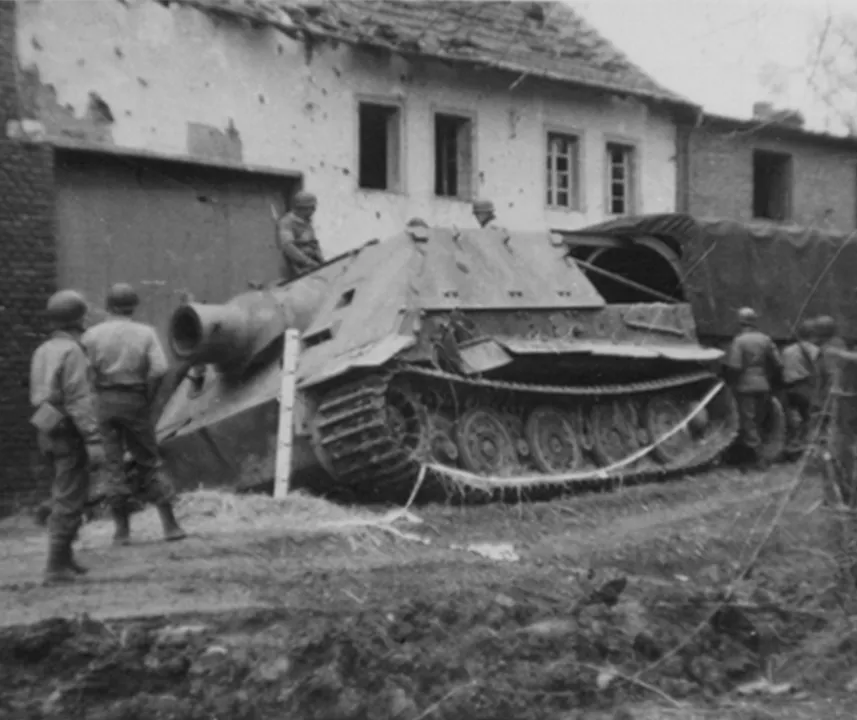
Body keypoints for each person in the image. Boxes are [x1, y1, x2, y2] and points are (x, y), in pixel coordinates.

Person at [81, 282, 186, 546]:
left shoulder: (92, 335)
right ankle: (170, 526)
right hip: (135, 399)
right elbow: (160, 369)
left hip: (105, 400)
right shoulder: (146, 333)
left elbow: (84, 372)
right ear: (133, 307)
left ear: (108, 306)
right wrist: (146, 398)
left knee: (113, 464)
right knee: (148, 460)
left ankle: (122, 531)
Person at [29, 289, 106, 584]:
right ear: (78, 318)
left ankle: (65, 557)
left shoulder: (43, 349)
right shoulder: (73, 351)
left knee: (64, 489)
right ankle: (55, 565)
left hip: (46, 422)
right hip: (68, 427)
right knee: (70, 494)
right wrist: (94, 438)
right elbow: (78, 400)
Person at [724, 307, 784, 469]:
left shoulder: (739, 341)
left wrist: (731, 382)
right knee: (758, 420)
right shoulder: (766, 339)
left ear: (740, 322)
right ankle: (761, 455)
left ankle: (757, 460)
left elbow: (734, 366)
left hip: (745, 387)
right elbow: (778, 363)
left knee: (748, 422)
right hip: (764, 385)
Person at [780, 319, 819, 455]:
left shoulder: (787, 350)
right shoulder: (814, 350)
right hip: (803, 387)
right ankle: (802, 444)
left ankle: (790, 442)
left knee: (789, 417)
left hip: (787, 388)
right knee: (807, 417)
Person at [274, 191, 324, 282]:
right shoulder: (287, 222)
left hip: (312, 268)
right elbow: (288, 247)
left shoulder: (307, 223)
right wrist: (308, 262)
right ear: (302, 208)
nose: (314, 210)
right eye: (311, 208)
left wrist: (321, 262)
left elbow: (313, 243)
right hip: (296, 270)